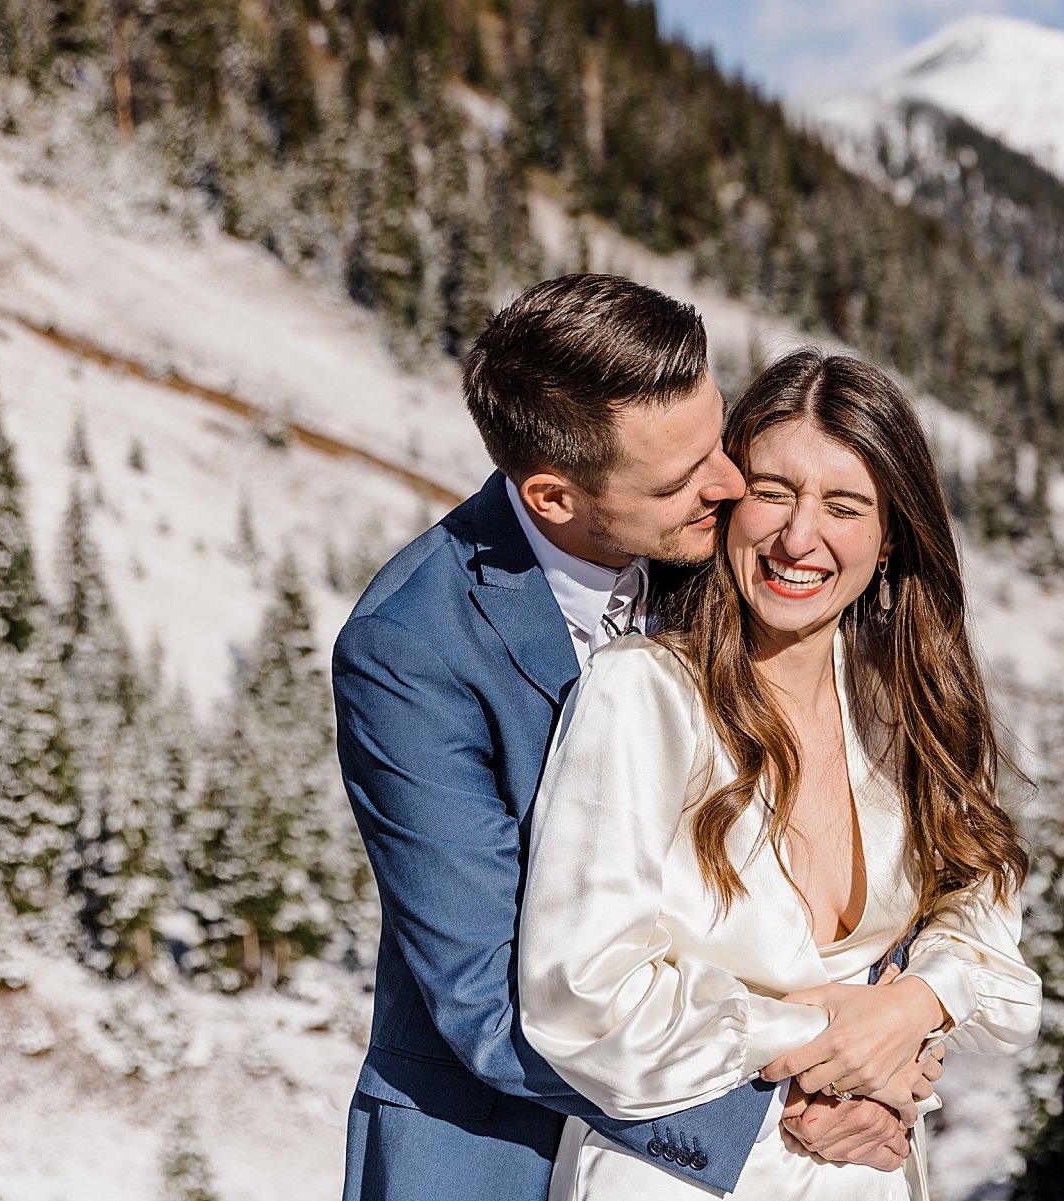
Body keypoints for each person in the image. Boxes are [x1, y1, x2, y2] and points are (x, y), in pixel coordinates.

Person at [334, 276, 921, 1201]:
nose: (729, 486)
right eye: (682, 478)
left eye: (716, 439)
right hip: (498, 1148)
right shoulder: (411, 649)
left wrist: (889, 1032)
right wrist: (798, 1082)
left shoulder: (720, 548)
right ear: (555, 497)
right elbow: (488, 1000)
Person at [516, 349, 1043, 1199]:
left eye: (844, 505)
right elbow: (580, 998)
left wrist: (912, 1006)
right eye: (773, 491)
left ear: (890, 536)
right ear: (727, 498)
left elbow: (996, 961)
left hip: (865, 1172)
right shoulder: (645, 693)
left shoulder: (904, 707)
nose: (800, 537)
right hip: (673, 1177)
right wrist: (827, 1042)